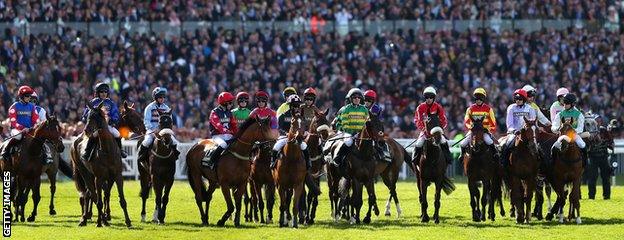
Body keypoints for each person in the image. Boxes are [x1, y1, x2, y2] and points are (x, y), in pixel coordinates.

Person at [81, 82, 127, 161]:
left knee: (117, 134)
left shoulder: (111, 103)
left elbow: (115, 115)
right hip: (95, 127)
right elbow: (85, 115)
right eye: (101, 92)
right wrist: (86, 119)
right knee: (93, 136)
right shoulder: (93, 102)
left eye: (105, 92)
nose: (103, 93)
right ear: (97, 93)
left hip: (107, 125)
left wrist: (113, 121)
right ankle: (87, 152)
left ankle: (120, 150)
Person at [328, 88, 369, 169]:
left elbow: (367, 122)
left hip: (361, 133)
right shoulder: (346, 109)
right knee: (348, 142)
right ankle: (338, 157)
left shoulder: (364, 109)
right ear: (351, 99)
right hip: (349, 133)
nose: (357, 99)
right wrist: (351, 132)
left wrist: (362, 132)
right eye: (354, 97)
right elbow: (345, 123)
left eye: (358, 97)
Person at [137, 87, 179, 163]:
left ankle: (174, 157)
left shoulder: (166, 108)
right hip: (152, 130)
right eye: (160, 97)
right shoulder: (149, 108)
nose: (162, 99)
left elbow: (170, 121)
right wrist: (153, 130)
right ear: (155, 97)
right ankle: (141, 156)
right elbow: (146, 121)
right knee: (147, 141)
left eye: (163, 97)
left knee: (175, 142)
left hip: (164, 131)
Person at [412, 86, 452, 164]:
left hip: (436, 131)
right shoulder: (420, 107)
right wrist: (423, 129)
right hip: (425, 131)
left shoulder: (438, 107)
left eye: (431, 97)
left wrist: (440, 129)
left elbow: (444, 120)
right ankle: (415, 160)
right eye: (427, 97)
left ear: (434, 98)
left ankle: (448, 159)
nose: (429, 99)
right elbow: (417, 120)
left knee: (443, 141)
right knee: (419, 143)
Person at [458, 88, 498, 162]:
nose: (478, 100)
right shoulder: (470, 109)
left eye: (480, 98)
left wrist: (487, 129)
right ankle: (462, 155)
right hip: (473, 131)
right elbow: (467, 121)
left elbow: (493, 123)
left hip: (484, 131)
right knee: (463, 143)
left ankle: (495, 154)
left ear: (483, 99)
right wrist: (471, 127)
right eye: (477, 98)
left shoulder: (489, 109)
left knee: (489, 141)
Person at [271, 95, 310, 169]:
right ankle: (273, 162)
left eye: (298, 105)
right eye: (294, 105)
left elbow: (304, 127)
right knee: (276, 146)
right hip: (285, 137)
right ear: (290, 105)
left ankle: (308, 164)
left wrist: (304, 132)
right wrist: (286, 133)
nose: (296, 107)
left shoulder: (301, 117)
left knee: (304, 147)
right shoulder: (283, 115)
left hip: (297, 138)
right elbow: (279, 128)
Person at [500, 89, 537, 167]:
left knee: (537, 148)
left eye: (520, 99)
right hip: (514, 133)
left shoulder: (530, 108)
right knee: (507, 145)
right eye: (516, 99)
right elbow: (509, 123)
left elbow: (533, 121)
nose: (518, 101)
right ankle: (504, 163)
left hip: (527, 133)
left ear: (524, 99)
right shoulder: (511, 108)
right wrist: (514, 131)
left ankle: (540, 169)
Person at [1, 85, 39, 162]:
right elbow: (14, 122)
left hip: (30, 129)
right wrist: (23, 128)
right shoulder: (14, 107)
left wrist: (34, 127)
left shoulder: (32, 107)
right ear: (21, 96)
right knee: (18, 137)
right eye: (27, 96)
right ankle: (5, 152)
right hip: (17, 130)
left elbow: (36, 120)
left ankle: (47, 156)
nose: (29, 98)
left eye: (30, 96)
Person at [203, 92, 238, 169]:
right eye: (230, 103)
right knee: (223, 145)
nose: (231, 104)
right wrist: (226, 131)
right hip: (217, 136)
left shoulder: (230, 113)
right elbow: (217, 125)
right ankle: (210, 161)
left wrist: (238, 133)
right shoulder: (214, 112)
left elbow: (234, 125)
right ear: (224, 103)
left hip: (228, 135)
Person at [551, 93, 587, 164]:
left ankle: (584, 162)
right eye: (564, 103)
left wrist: (571, 131)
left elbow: (580, 128)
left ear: (572, 104)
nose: (564, 105)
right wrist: (557, 129)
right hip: (563, 136)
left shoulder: (579, 114)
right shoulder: (560, 114)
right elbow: (553, 126)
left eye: (567, 103)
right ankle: (553, 163)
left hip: (574, 135)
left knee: (582, 145)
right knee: (554, 147)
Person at [363, 89, 390, 162]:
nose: (367, 102)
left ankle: (386, 152)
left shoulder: (376, 108)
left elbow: (372, 120)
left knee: (383, 138)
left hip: (376, 126)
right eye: (365, 99)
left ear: (373, 101)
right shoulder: (361, 107)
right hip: (364, 127)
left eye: (369, 100)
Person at [31, 91, 54, 164]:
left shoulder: (40, 110)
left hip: (37, 133)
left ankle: (48, 155)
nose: (32, 102)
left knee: (43, 140)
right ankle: (6, 154)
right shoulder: (22, 109)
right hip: (24, 130)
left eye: (34, 100)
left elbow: (45, 123)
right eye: (30, 100)